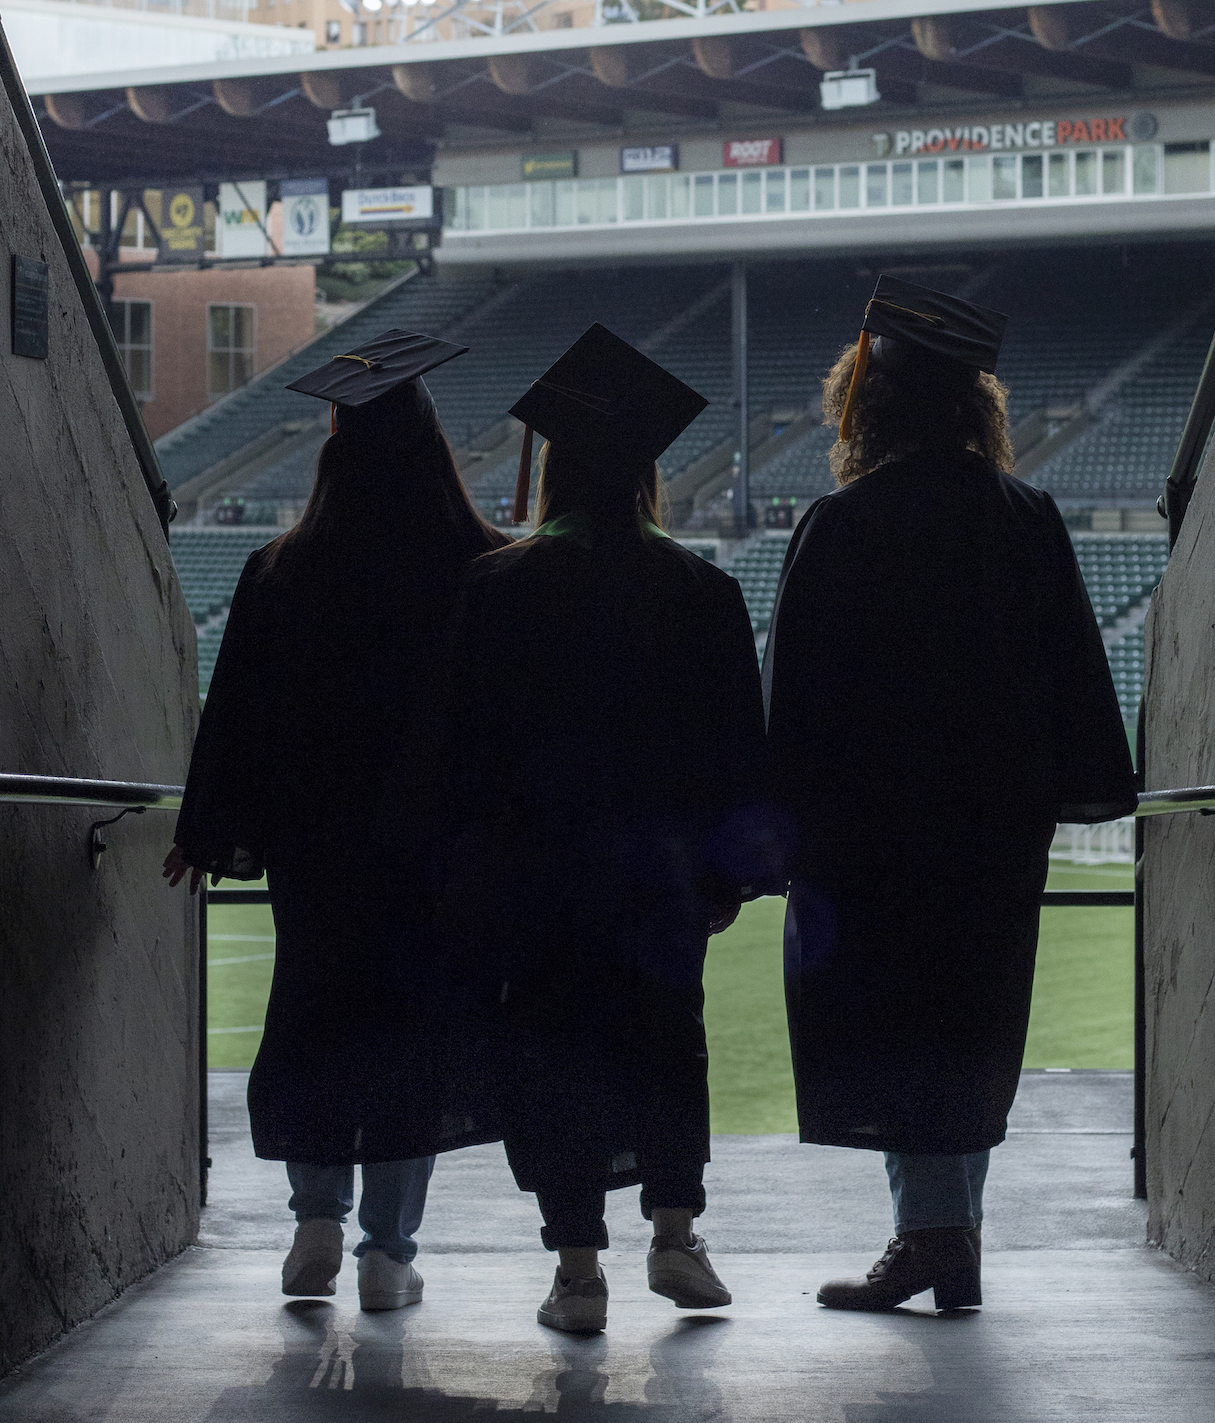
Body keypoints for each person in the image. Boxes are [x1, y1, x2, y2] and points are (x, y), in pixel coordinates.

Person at [763, 278, 1137, 1313]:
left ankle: (932, 1237)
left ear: (867, 404)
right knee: (967, 1025)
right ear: (975, 405)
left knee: (902, 1031)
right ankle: (947, 1237)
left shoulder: (841, 520)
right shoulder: (1027, 515)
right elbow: (1072, 675)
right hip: (988, 834)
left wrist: (776, 831)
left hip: (874, 837)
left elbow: (797, 694)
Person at [433, 324, 783, 1333]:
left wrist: (461, 868)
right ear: (644, 471)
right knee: (668, 1039)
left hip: (534, 875)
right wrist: (727, 878)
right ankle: (674, 1233)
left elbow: (460, 750)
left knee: (550, 1053)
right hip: (660, 875)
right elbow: (737, 754)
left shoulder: (495, 588)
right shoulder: (702, 591)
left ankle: (577, 1272)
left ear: (553, 467)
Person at [164, 328, 511, 1312]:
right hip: (434, 855)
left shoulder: (283, 573)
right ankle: (385, 1251)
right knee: (412, 1039)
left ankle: (314, 1217)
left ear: (333, 452)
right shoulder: (480, 572)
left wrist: (204, 827)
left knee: (317, 1017)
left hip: (322, 854)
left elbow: (233, 712)